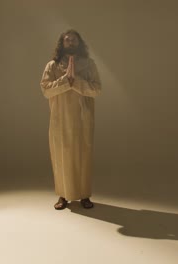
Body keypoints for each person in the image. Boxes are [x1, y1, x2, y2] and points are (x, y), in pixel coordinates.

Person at [40, 29, 101, 210]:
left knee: (83, 156)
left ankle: (84, 195)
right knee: (61, 156)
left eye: (74, 40)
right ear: (62, 44)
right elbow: (46, 90)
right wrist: (65, 81)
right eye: (67, 40)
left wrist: (77, 82)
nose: (71, 42)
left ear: (79, 43)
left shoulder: (89, 64)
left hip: (83, 118)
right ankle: (63, 195)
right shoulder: (52, 65)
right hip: (60, 118)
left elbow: (96, 89)